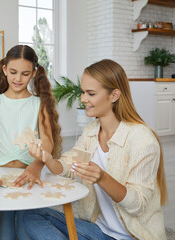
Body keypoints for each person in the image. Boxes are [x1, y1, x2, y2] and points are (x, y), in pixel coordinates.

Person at [23, 59, 168, 240]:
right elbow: (70, 165)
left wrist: (102, 177)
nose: (83, 99)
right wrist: (48, 159)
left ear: (114, 95)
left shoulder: (142, 138)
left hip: (132, 236)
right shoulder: (92, 130)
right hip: (99, 231)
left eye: (90, 93)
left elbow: (137, 204)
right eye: (83, 92)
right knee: (29, 215)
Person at [0, 45, 62, 240]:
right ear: (4, 69)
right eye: (13, 72)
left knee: (27, 232)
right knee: (3, 235)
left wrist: (37, 165)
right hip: (0, 176)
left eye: (24, 74)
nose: (18, 79)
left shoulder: (40, 104)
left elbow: (48, 141)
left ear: (33, 73)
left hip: (29, 177)